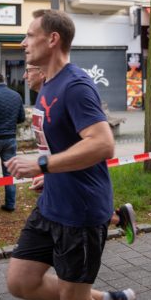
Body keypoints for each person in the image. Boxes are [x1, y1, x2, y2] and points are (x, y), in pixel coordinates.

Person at [4, 9, 135, 300]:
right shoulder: (48, 84)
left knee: (73, 299)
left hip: (80, 213)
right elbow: (68, 144)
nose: (23, 42)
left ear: (52, 39)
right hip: (52, 204)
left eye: (30, 35)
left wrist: (43, 165)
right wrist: (51, 175)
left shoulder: (75, 85)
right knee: (21, 281)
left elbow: (104, 144)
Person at [25, 63, 136, 245]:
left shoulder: (72, 88)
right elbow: (59, 149)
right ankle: (119, 218)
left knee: (70, 272)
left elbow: (95, 147)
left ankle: (118, 218)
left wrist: (44, 167)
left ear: (42, 71)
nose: (24, 75)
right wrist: (50, 176)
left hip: (83, 201)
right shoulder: (44, 96)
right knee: (21, 273)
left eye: (29, 70)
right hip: (55, 195)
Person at [0, 71, 26, 211]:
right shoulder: (16, 96)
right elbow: (21, 118)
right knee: (9, 171)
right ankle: (10, 205)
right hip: (10, 139)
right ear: (3, 81)